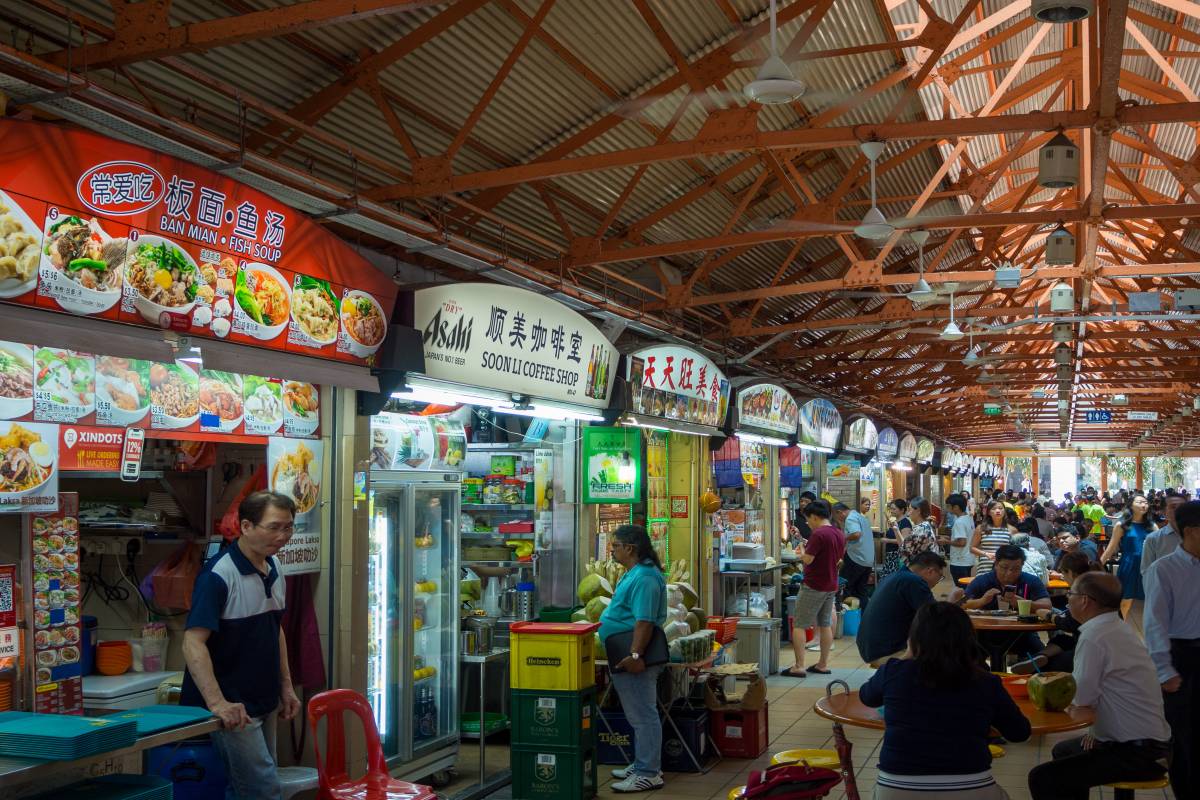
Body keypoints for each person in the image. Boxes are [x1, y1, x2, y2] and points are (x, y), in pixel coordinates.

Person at [181, 492, 302, 800]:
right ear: (246, 526)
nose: (283, 536)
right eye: (274, 527)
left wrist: (285, 687)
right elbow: (192, 643)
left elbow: (275, 630)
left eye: (288, 527)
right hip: (233, 706)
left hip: (263, 698)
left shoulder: (275, 568)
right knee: (261, 789)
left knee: (250, 787)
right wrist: (218, 703)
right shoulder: (218, 576)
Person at [860, 602, 1031, 799]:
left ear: (914, 638)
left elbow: (867, 697)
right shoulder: (986, 681)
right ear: (968, 639)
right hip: (970, 785)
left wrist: (907, 656)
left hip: (897, 786)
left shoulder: (894, 671)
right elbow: (1020, 733)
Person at [1027, 573, 1171, 800]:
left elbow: (1080, 698)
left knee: (1042, 778)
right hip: (1151, 742)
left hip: (1137, 752)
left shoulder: (1095, 636)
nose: (1067, 599)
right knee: (1064, 752)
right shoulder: (1116, 628)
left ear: (1084, 600)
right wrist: (1097, 730)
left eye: (1070, 594)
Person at [600, 524, 668, 793]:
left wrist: (635, 654)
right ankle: (642, 763)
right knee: (638, 713)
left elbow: (644, 622)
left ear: (630, 548)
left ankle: (649, 772)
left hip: (634, 653)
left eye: (615, 545)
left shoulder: (645, 578)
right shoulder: (635, 572)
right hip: (623, 648)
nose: (612, 550)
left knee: (643, 715)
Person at [1143, 499, 1200, 800]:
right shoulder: (1164, 570)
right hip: (1184, 658)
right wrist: (1165, 670)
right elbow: (1154, 625)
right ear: (1191, 531)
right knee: (1185, 737)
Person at [1011, 552, 1100, 674]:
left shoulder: (1080, 593)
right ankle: (1042, 656)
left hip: (1087, 651)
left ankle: (1042, 659)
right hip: (1099, 644)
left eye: (1063, 573)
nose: (1063, 577)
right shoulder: (1099, 588)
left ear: (1070, 573)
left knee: (1040, 670)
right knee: (1062, 639)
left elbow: (1069, 623)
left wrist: (1048, 615)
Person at [963, 544, 1051, 668]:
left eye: (1016, 568)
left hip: (1022, 634)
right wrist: (982, 601)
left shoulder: (1030, 581)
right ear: (996, 564)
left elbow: (1047, 606)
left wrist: (1022, 602)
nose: (1009, 573)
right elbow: (962, 604)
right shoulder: (983, 580)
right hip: (984, 634)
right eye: (1004, 567)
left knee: (1043, 661)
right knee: (966, 661)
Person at [857, 551, 950, 667]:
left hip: (869, 648)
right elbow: (935, 616)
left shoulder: (895, 576)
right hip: (886, 651)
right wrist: (952, 599)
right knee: (944, 651)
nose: (938, 582)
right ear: (930, 571)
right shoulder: (914, 582)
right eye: (940, 577)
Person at [785, 500, 844, 677]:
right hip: (831, 584)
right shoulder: (838, 533)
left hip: (814, 584)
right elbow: (835, 557)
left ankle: (799, 666)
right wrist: (803, 540)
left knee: (800, 625)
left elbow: (808, 559)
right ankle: (822, 664)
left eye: (808, 519)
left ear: (816, 517)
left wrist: (802, 548)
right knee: (825, 624)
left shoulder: (819, 534)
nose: (807, 523)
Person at [1102, 493, 1156, 637]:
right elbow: (1111, 548)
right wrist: (1097, 565)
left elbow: (1160, 547)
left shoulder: (1152, 526)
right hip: (1129, 565)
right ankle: (1119, 631)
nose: (1144, 504)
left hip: (1148, 567)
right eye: (1139, 502)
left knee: (1150, 601)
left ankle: (1150, 635)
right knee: (1125, 601)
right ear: (1131, 505)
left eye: (1145, 502)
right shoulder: (1122, 525)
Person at [839, 499, 875, 612]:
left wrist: (842, 537)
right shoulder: (860, 517)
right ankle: (864, 619)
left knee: (847, 588)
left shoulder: (850, 518)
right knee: (861, 591)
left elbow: (856, 534)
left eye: (837, 516)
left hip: (856, 560)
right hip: (867, 561)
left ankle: (849, 618)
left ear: (840, 512)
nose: (839, 520)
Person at [1141, 493, 1184, 576]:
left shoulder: (1196, 536)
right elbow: (1146, 571)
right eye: (1173, 507)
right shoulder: (1153, 539)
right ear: (1164, 512)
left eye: (1183, 507)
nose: (1179, 510)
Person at [971, 500, 1016, 575]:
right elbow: (972, 548)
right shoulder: (981, 528)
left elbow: (1016, 551)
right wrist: (986, 554)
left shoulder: (1012, 530)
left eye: (1000, 508)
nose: (997, 511)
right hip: (984, 569)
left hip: (1004, 570)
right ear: (988, 512)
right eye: (994, 509)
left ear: (1004, 511)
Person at [900, 497, 940, 565]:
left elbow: (907, 551)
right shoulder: (924, 525)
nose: (908, 514)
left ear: (918, 511)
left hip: (923, 569)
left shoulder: (921, 528)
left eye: (910, 510)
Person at [946, 494, 976, 583]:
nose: (947, 508)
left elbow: (962, 543)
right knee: (966, 585)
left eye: (948, 506)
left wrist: (946, 542)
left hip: (960, 561)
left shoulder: (959, 522)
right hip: (968, 559)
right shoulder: (969, 518)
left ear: (956, 507)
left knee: (961, 588)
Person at [879, 498, 911, 577]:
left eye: (894, 509)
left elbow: (903, 541)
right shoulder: (895, 522)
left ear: (902, 510)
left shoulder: (905, 523)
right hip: (890, 556)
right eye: (891, 509)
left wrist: (887, 540)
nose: (891, 511)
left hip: (897, 556)